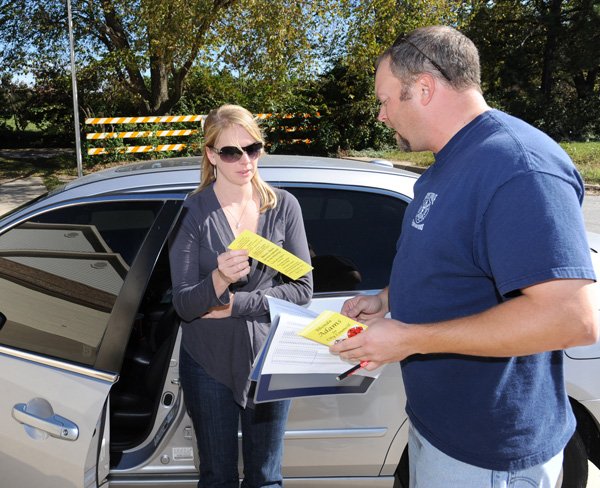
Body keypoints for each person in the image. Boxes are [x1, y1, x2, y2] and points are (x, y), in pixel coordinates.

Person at [330, 25, 599, 487]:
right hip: (441, 428)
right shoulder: (451, 160)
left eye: (386, 99)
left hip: (488, 450)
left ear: (424, 88)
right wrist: (387, 299)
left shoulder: (517, 166)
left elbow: (570, 319)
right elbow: (456, 259)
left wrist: (409, 338)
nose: (381, 115)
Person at [169, 104, 313, 488]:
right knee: (217, 477)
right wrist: (217, 278)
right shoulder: (192, 212)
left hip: (271, 357)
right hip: (208, 361)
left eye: (253, 148)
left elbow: (303, 289)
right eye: (232, 152)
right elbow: (183, 304)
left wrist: (236, 304)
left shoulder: (283, 207)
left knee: (266, 478)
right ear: (212, 155)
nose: (245, 160)